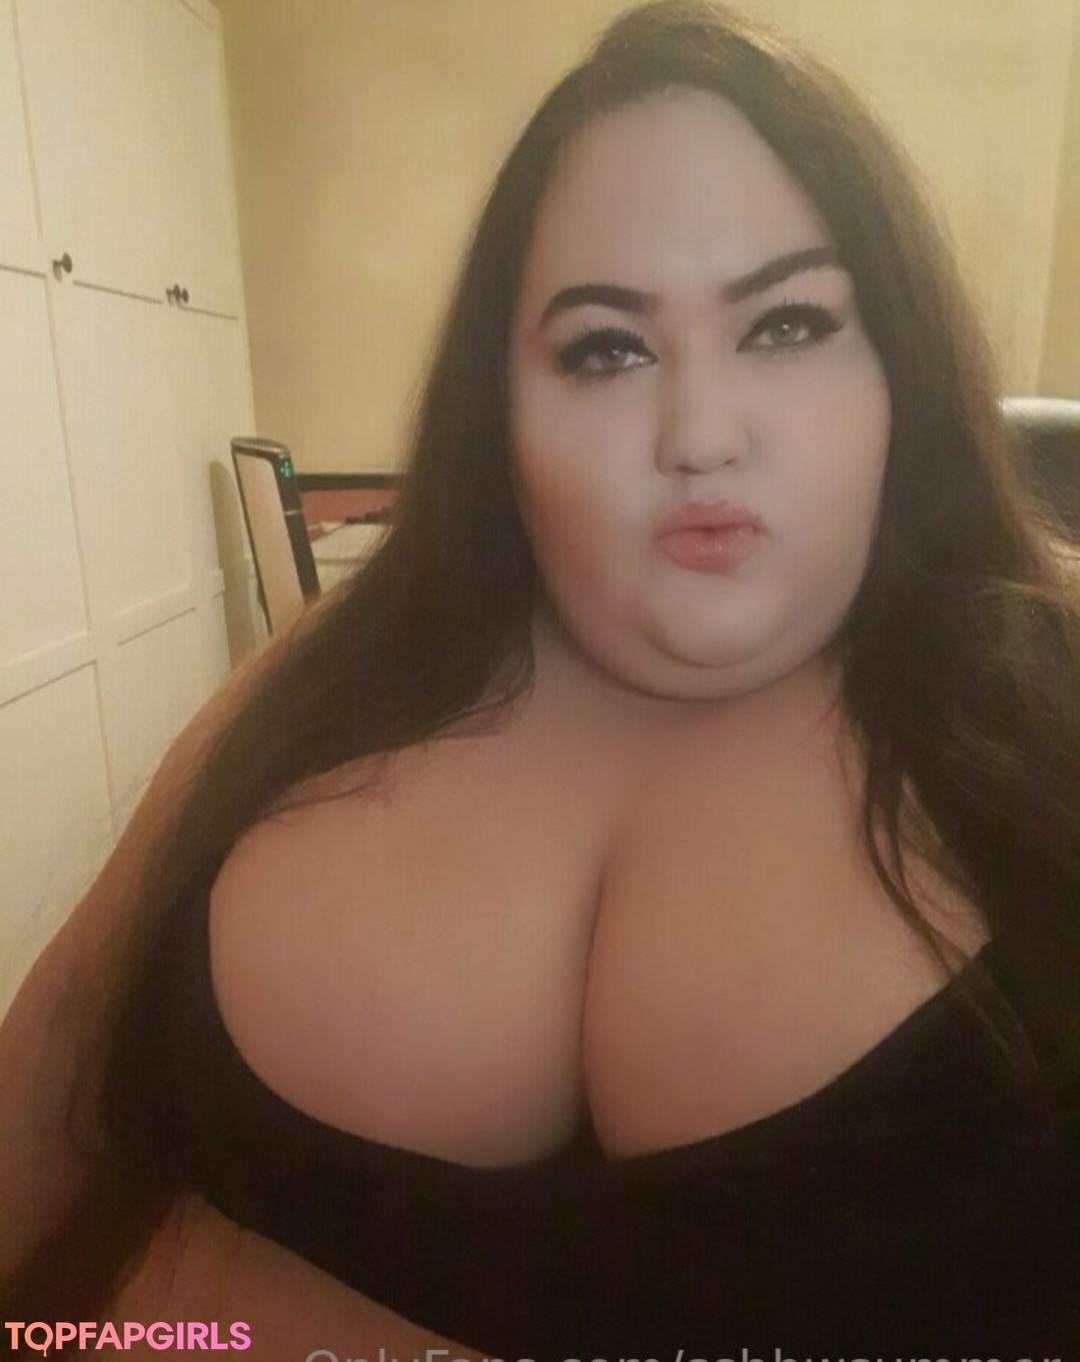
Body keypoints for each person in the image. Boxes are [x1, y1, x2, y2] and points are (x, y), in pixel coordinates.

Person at [2, 1, 1079, 1357]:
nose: (701, 433)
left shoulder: (1047, 679)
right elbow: (53, 1074)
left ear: (900, 372)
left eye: (788, 324)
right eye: (607, 349)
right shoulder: (330, 671)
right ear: (502, 410)